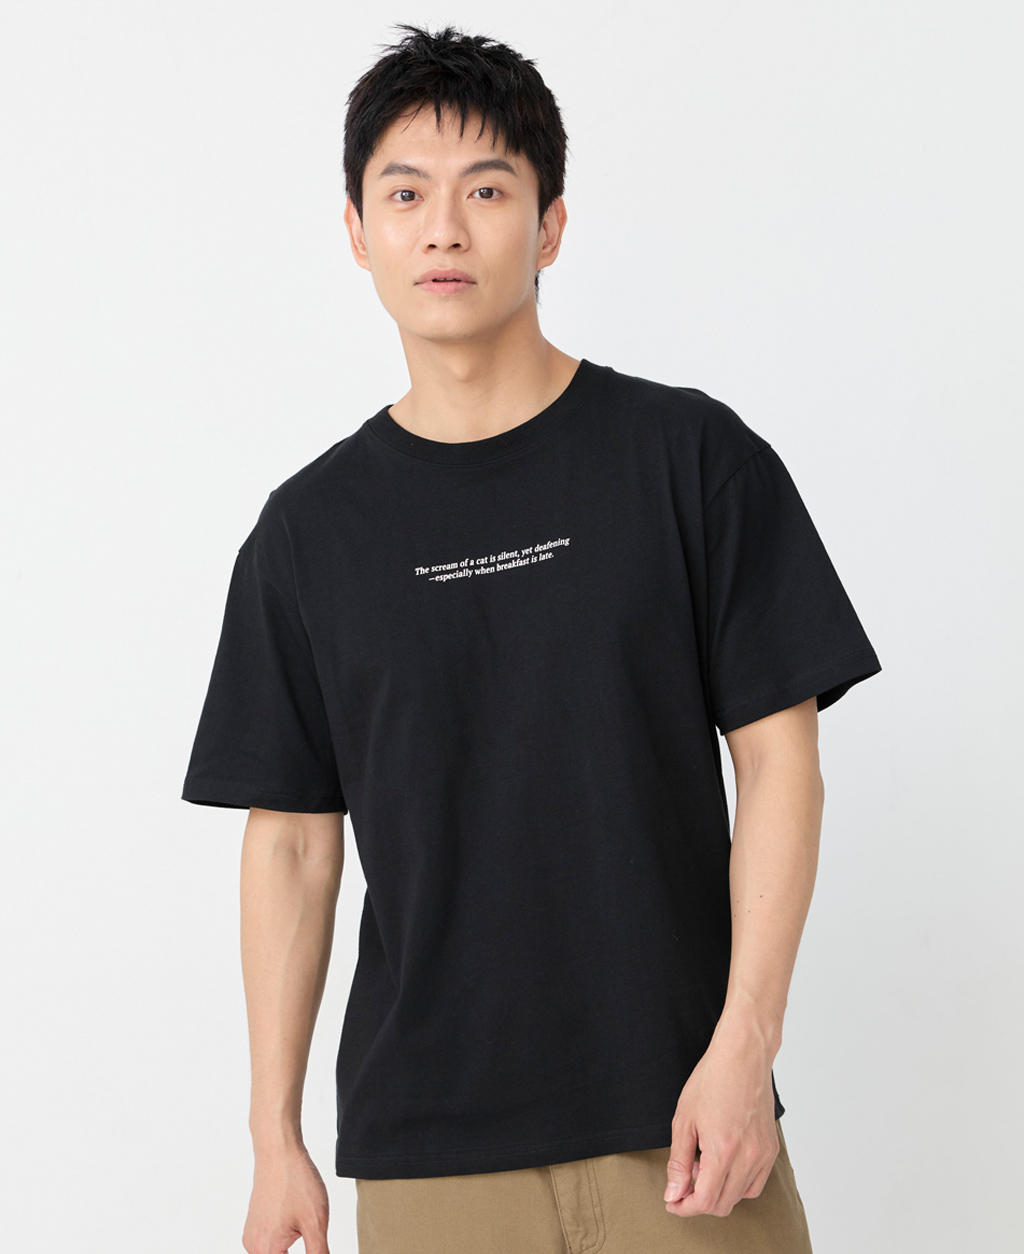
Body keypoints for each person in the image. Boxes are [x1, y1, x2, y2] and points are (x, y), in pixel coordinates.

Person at [181, 22, 882, 1254]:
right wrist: (272, 1133)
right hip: (431, 1145)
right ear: (357, 231)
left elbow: (781, 761)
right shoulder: (307, 535)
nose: (443, 230)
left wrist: (744, 1044)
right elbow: (289, 840)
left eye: (487, 190)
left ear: (550, 225)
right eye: (405, 194)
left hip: (683, 1120)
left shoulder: (689, 461)